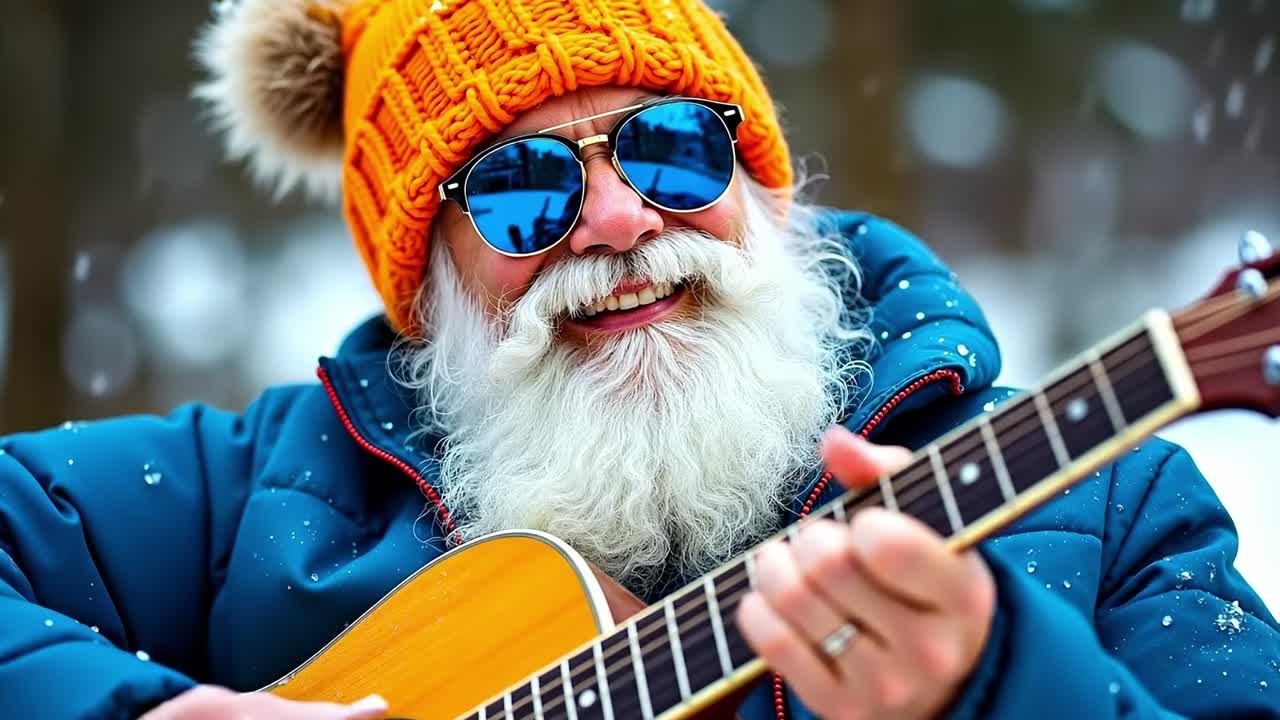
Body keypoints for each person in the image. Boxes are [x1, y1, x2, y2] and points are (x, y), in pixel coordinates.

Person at [1, 1, 1277, 718]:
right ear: (426, 280)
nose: (617, 223)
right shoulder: (267, 496)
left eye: (671, 148)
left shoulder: (1107, 502)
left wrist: (999, 684)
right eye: (516, 190)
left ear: (765, 194)